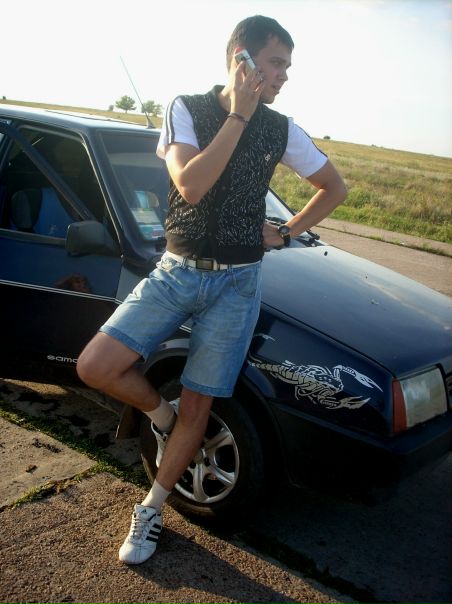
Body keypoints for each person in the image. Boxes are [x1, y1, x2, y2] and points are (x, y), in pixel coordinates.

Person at [76, 14, 347, 565]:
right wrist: (239, 115)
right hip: (178, 271)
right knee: (96, 365)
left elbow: (333, 187)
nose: (284, 75)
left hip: (238, 285)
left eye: (287, 66)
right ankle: (162, 416)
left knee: (201, 401)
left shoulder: (281, 128)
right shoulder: (187, 108)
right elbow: (192, 184)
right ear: (240, 60)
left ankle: (151, 508)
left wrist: (286, 231)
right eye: (276, 63)